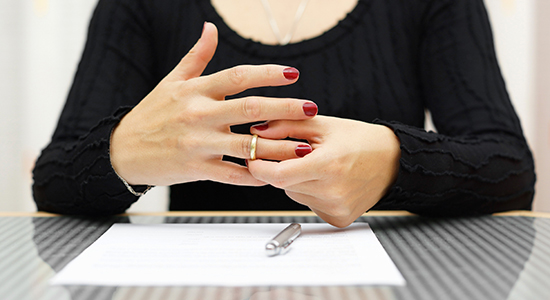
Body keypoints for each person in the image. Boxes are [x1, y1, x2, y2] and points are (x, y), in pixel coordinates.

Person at [32, 0, 536, 228]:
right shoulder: (140, 6)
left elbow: (509, 169)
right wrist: (124, 152)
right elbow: (54, 178)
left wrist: (394, 160)